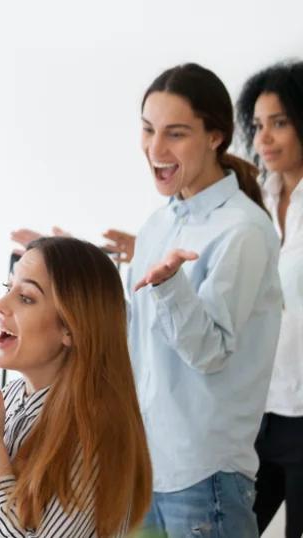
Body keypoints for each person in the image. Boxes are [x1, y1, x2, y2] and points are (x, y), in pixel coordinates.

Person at [130, 63, 281, 537]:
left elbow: (210, 352)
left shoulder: (243, 230)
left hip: (203, 477)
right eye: (149, 130)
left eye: (175, 134)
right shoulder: (159, 224)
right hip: (144, 468)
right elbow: (139, 347)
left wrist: (170, 287)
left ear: (216, 136)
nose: (156, 149)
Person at [0, 236, 152, 537]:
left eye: (25, 298)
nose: (0, 304)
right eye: (7, 289)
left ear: (70, 328)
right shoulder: (8, 401)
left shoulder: (95, 432)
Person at [237, 60, 303, 538]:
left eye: (279, 123)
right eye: (259, 125)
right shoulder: (256, 198)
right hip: (261, 407)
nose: (265, 138)